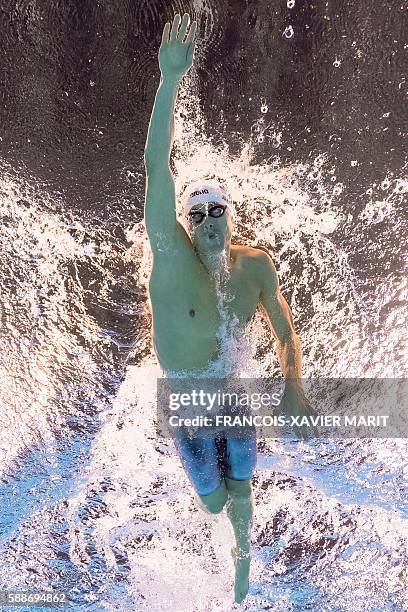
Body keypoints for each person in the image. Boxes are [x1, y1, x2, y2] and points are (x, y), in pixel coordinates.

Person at [143, 13, 317, 604]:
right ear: (186, 226)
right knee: (213, 501)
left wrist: (292, 384)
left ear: (231, 215)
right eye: (198, 215)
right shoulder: (171, 260)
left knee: (241, 495)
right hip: (189, 400)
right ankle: (222, 528)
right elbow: (154, 170)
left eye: (218, 211)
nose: (209, 222)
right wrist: (169, 82)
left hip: (233, 392)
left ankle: (244, 570)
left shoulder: (256, 266)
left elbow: (286, 333)